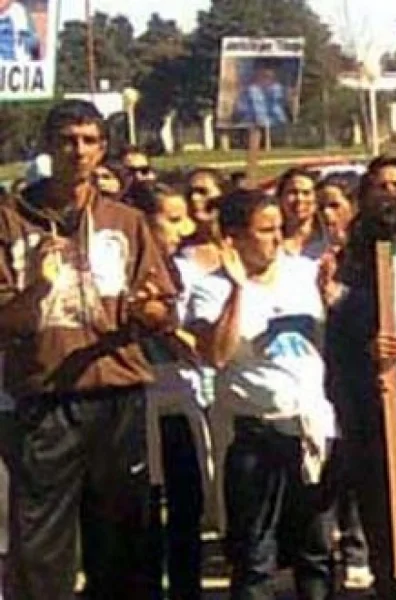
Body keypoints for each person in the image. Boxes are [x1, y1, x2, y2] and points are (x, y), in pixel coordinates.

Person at [0, 99, 178, 599]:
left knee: (123, 542)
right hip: (46, 401)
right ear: (47, 146)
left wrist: (147, 311)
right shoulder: (11, 221)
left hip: (118, 396)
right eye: (67, 140)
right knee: (43, 550)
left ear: (102, 150)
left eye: (89, 141)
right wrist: (37, 287)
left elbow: (164, 312)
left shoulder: (126, 221)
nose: (78, 151)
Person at [189, 189, 337, 598]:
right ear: (234, 237)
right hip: (253, 434)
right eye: (265, 230)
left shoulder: (304, 273)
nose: (276, 238)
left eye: (279, 228)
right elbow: (216, 355)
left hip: (310, 429)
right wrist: (238, 289)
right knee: (255, 554)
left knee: (316, 549)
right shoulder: (210, 290)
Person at [326, 192, 396, 599]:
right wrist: (367, 357)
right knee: (391, 549)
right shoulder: (353, 307)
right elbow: (336, 380)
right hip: (379, 445)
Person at [130, 183, 210, 600]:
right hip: (135, 402)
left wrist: (168, 326)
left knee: (186, 508)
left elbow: (202, 346)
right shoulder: (119, 272)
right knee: (141, 513)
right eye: (173, 220)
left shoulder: (189, 271)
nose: (185, 229)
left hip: (182, 398)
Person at [276, 168, 329, 260]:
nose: (299, 199)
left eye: (306, 193)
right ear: (280, 198)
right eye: (292, 192)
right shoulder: (270, 242)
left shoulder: (329, 241)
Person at [233, 62, 291, 128]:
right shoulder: (250, 92)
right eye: (265, 77)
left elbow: (281, 117)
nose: (269, 81)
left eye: (272, 78)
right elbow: (240, 115)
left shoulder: (277, 90)